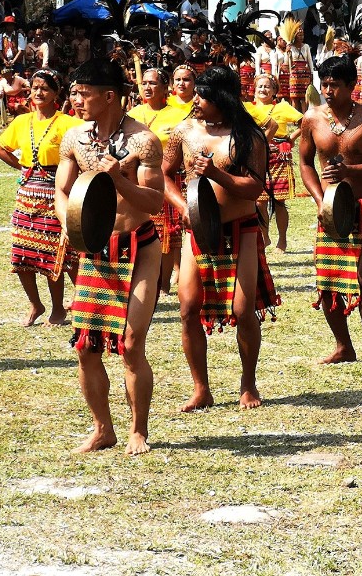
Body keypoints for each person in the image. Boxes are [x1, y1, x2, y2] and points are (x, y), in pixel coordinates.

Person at [54, 59, 164, 455]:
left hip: (139, 247)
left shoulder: (143, 141)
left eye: (83, 93)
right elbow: (62, 192)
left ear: (109, 96)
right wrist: (69, 225)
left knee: (132, 343)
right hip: (95, 248)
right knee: (86, 346)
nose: (76, 99)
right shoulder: (74, 139)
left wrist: (119, 178)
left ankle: (138, 430)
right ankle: (103, 429)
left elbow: (154, 203)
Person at [162, 66, 281, 412]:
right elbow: (165, 175)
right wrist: (182, 205)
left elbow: (256, 186)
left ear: (222, 99)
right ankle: (201, 388)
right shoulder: (183, 131)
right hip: (197, 230)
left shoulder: (248, 136)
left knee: (244, 311)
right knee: (187, 309)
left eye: (203, 95)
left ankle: (248, 382)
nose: (195, 100)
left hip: (240, 229)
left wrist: (216, 174)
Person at [300, 56, 362, 365]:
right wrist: (318, 199)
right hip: (330, 211)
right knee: (328, 282)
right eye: (324, 84)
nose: (328, 91)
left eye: (335, 85)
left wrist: (350, 172)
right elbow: (305, 163)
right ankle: (343, 346)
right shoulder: (312, 119)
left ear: (352, 86)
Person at [0, 68, 81, 326]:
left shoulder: (68, 123)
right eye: (34, 88)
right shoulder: (22, 121)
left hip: (55, 195)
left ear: (56, 93)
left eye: (45, 88)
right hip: (27, 194)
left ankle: (58, 309)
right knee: (22, 254)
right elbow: (1, 149)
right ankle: (36, 304)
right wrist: (23, 167)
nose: (39, 93)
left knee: (52, 254)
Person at [128, 67, 194, 292]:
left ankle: (163, 283)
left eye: (153, 83)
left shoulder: (179, 115)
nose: (147, 87)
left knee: (167, 234)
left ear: (165, 88)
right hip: (135, 179)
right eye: (144, 83)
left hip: (166, 178)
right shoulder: (132, 114)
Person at [248, 73, 301, 252]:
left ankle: (283, 240)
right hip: (256, 156)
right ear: (254, 90)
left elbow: (304, 121)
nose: (263, 89)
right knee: (259, 202)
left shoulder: (283, 108)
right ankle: (264, 237)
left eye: (267, 86)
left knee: (279, 202)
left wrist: (290, 139)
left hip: (279, 156)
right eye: (260, 86)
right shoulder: (247, 108)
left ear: (274, 91)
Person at [287, 28, 313, 113]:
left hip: (305, 73)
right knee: (294, 96)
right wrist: (287, 53)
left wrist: (311, 73)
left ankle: (304, 116)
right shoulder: (290, 47)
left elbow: (309, 60)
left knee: (304, 97)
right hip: (294, 74)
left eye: (302, 35)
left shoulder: (306, 47)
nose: (301, 37)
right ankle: (296, 118)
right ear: (295, 36)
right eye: (299, 35)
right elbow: (287, 62)